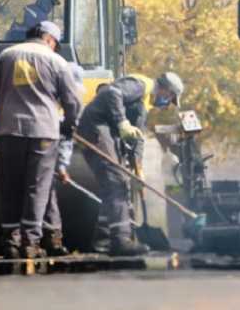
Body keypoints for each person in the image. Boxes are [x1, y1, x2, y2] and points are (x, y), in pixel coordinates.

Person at [0, 21, 83, 259]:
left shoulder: (6, 55)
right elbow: (73, 101)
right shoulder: (56, 61)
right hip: (43, 132)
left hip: (9, 130)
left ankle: (10, 241)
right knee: (37, 187)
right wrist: (69, 126)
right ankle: (31, 241)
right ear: (49, 39)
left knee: (10, 186)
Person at [77, 72, 184, 256]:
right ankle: (121, 241)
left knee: (118, 183)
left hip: (107, 132)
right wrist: (122, 122)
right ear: (165, 90)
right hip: (97, 127)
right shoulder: (142, 85)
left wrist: (138, 169)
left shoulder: (145, 104)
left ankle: (102, 240)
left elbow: (138, 138)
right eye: (169, 99)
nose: (167, 104)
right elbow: (113, 93)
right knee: (116, 182)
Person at [40, 62, 86, 256]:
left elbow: (67, 137)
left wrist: (61, 166)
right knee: (42, 193)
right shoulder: (48, 100)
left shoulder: (63, 104)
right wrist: (61, 166)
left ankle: (49, 239)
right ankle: (45, 239)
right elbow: (66, 136)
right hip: (38, 148)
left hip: (40, 150)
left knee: (45, 192)